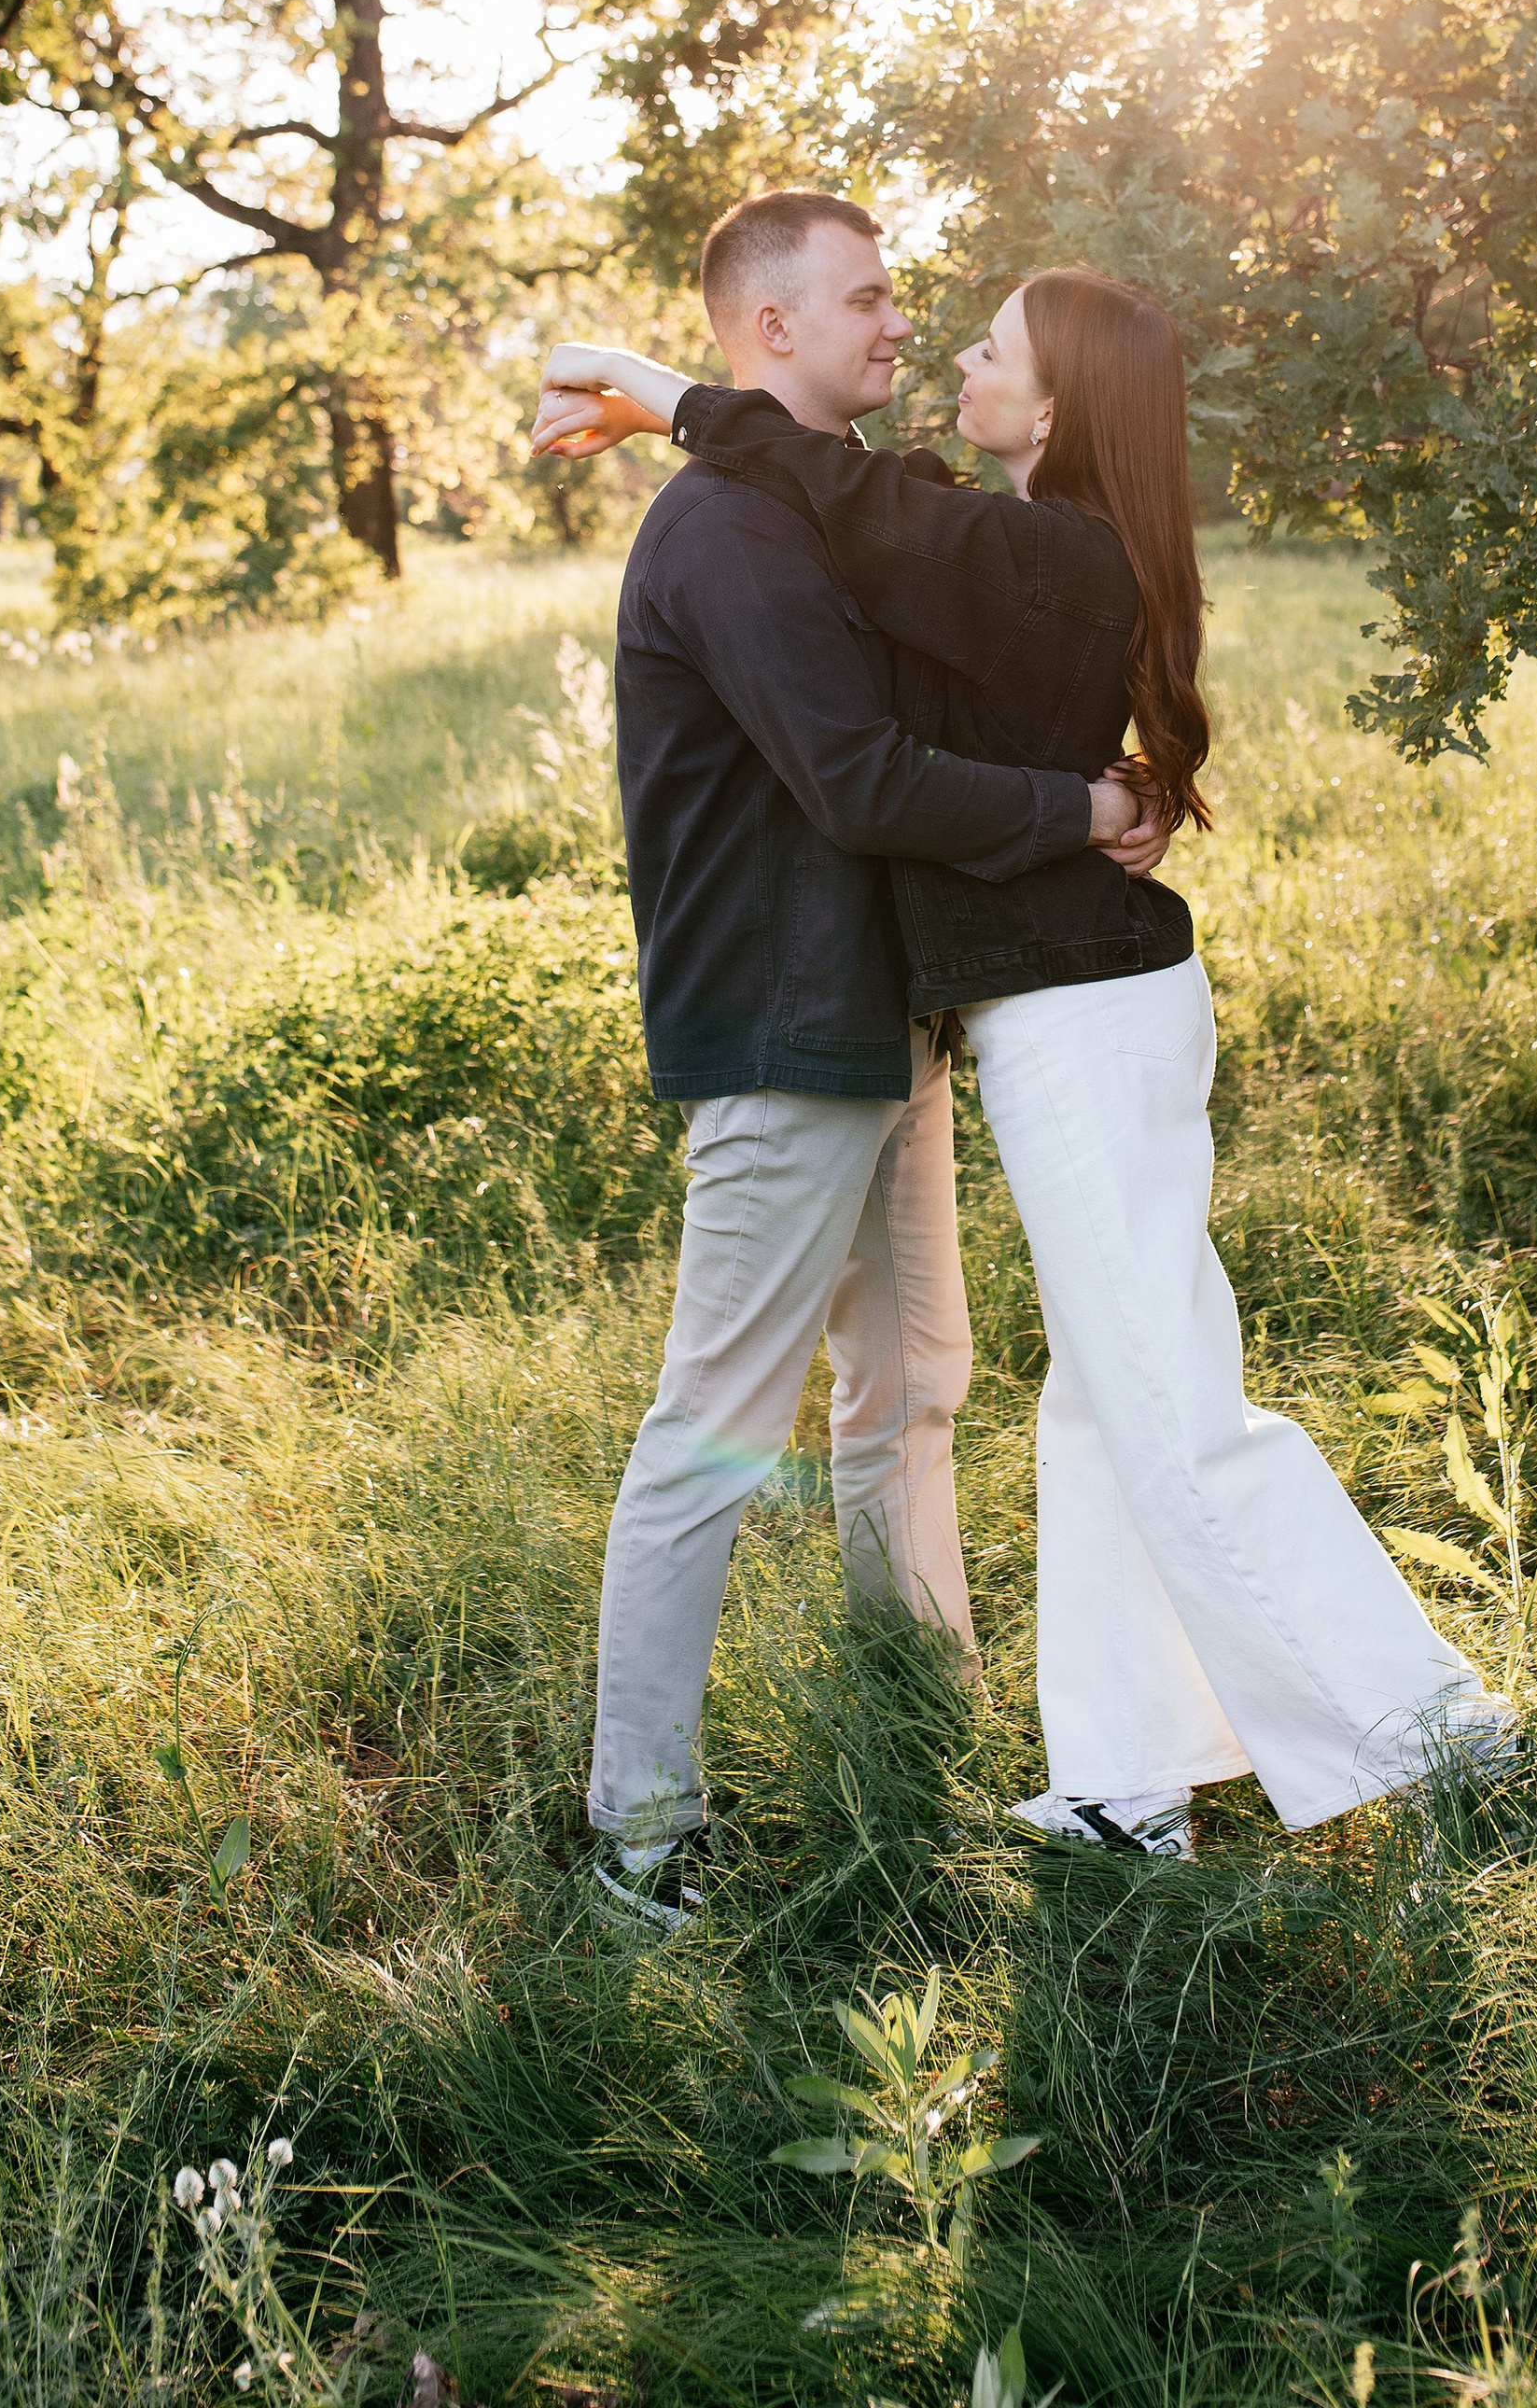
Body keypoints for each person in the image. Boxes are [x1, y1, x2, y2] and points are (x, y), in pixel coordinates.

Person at [535, 263, 1513, 1864]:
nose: (941, 351)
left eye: (984, 346)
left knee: (1161, 1400)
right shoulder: (985, 543)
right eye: (901, 311)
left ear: (1051, 411)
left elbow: (858, 503)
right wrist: (671, 404)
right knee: (1102, 1403)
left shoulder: (1049, 557)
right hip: (1023, 1016)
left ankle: (1433, 1735)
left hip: (1082, 1018)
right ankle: (1125, 1782)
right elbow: (860, 507)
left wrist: (647, 387)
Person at [553, 192, 1167, 1933]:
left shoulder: (823, 511)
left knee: (913, 1386)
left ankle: (925, 1719)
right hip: (782, 1029)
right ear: (771, 333)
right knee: (716, 1426)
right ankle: (639, 1838)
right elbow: (865, 784)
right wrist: (1085, 809)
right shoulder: (731, 538)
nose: (902, 325)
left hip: (873, 1022)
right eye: (871, 299)